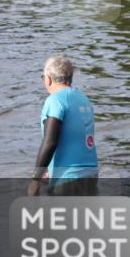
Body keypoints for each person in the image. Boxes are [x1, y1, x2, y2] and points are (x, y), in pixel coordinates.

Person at [27, 56, 99, 196]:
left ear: (48, 79)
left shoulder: (55, 100)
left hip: (67, 178)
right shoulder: (84, 99)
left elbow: (50, 142)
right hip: (91, 176)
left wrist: (35, 179)